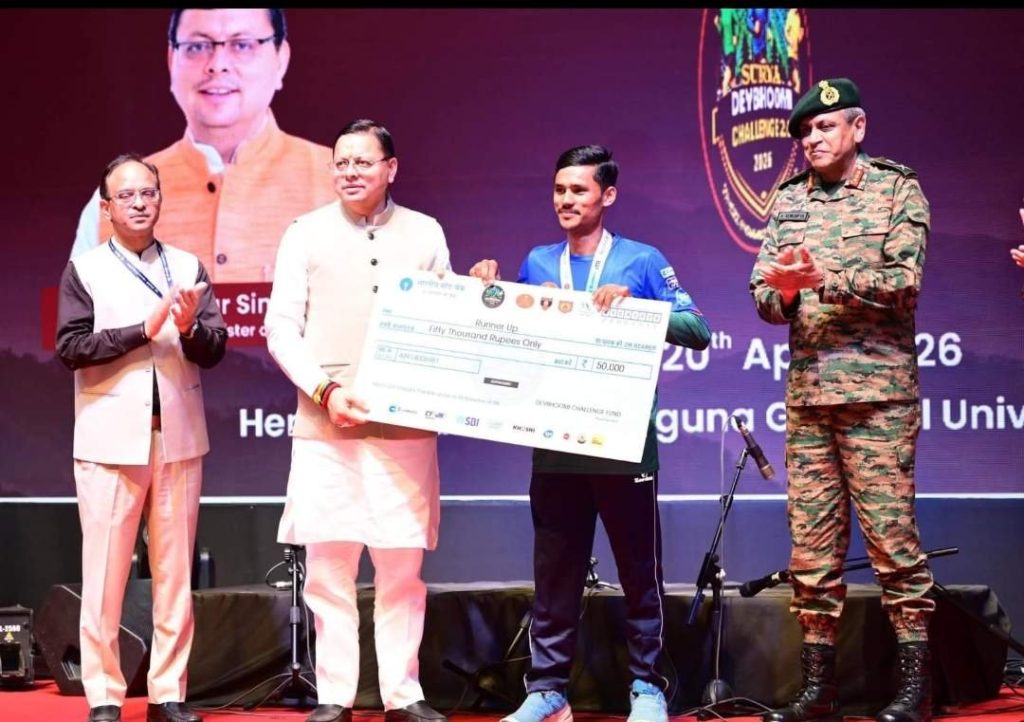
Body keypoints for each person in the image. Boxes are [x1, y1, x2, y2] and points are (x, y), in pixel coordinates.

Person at [468, 145, 711, 722]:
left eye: (579, 190)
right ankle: (548, 692)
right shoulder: (538, 262)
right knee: (555, 576)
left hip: (624, 446)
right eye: (559, 190)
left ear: (608, 195)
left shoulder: (641, 260)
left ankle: (647, 687)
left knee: (639, 573)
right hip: (555, 444)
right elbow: (516, 338)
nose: (566, 200)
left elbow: (697, 329)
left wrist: (639, 309)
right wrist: (486, 295)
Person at [749, 78, 934, 722]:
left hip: (878, 397)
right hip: (809, 398)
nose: (813, 138)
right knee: (812, 550)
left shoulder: (895, 189)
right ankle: (818, 689)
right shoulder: (789, 199)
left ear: (859, 127)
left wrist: (827, 278)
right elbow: (763, 294)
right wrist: (787, 292)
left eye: (826, 126)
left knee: (893, 543)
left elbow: (905, 282)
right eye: (805, 131)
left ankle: (915, 686)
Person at [264, 119, 450, 722]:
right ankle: (335, 696)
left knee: (401, 569)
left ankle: (403, 693)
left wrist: (477, 295)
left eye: (363, 162)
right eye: (341, 163)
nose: (350, 172)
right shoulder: (304, 233)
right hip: (327, 426)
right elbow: (280, 328)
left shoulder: (425, 232)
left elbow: (446, 322)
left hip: (405, 429)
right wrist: (324, 390)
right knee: (328, 569)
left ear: (391, 168)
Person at [56, 153, 228, 722]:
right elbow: (71, 348)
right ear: (106, 208)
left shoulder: (188, 265)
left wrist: (189, 327)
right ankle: (105, 694)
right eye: (125, 195)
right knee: (105, 574)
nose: (138, 203)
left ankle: (168, 693)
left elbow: (215, 349)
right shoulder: (85, 270)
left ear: (160, 200)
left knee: (174, 575)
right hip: (108, 441)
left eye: (147, 193)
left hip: (177, 438)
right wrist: (143, 330)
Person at [70, 8, 335, 282]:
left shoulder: (339, 186)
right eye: (197, 46)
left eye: (242, 45)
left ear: (281, 59)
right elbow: (77, 309)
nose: (217, 65)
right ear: (172, 61)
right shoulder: (116, 199)